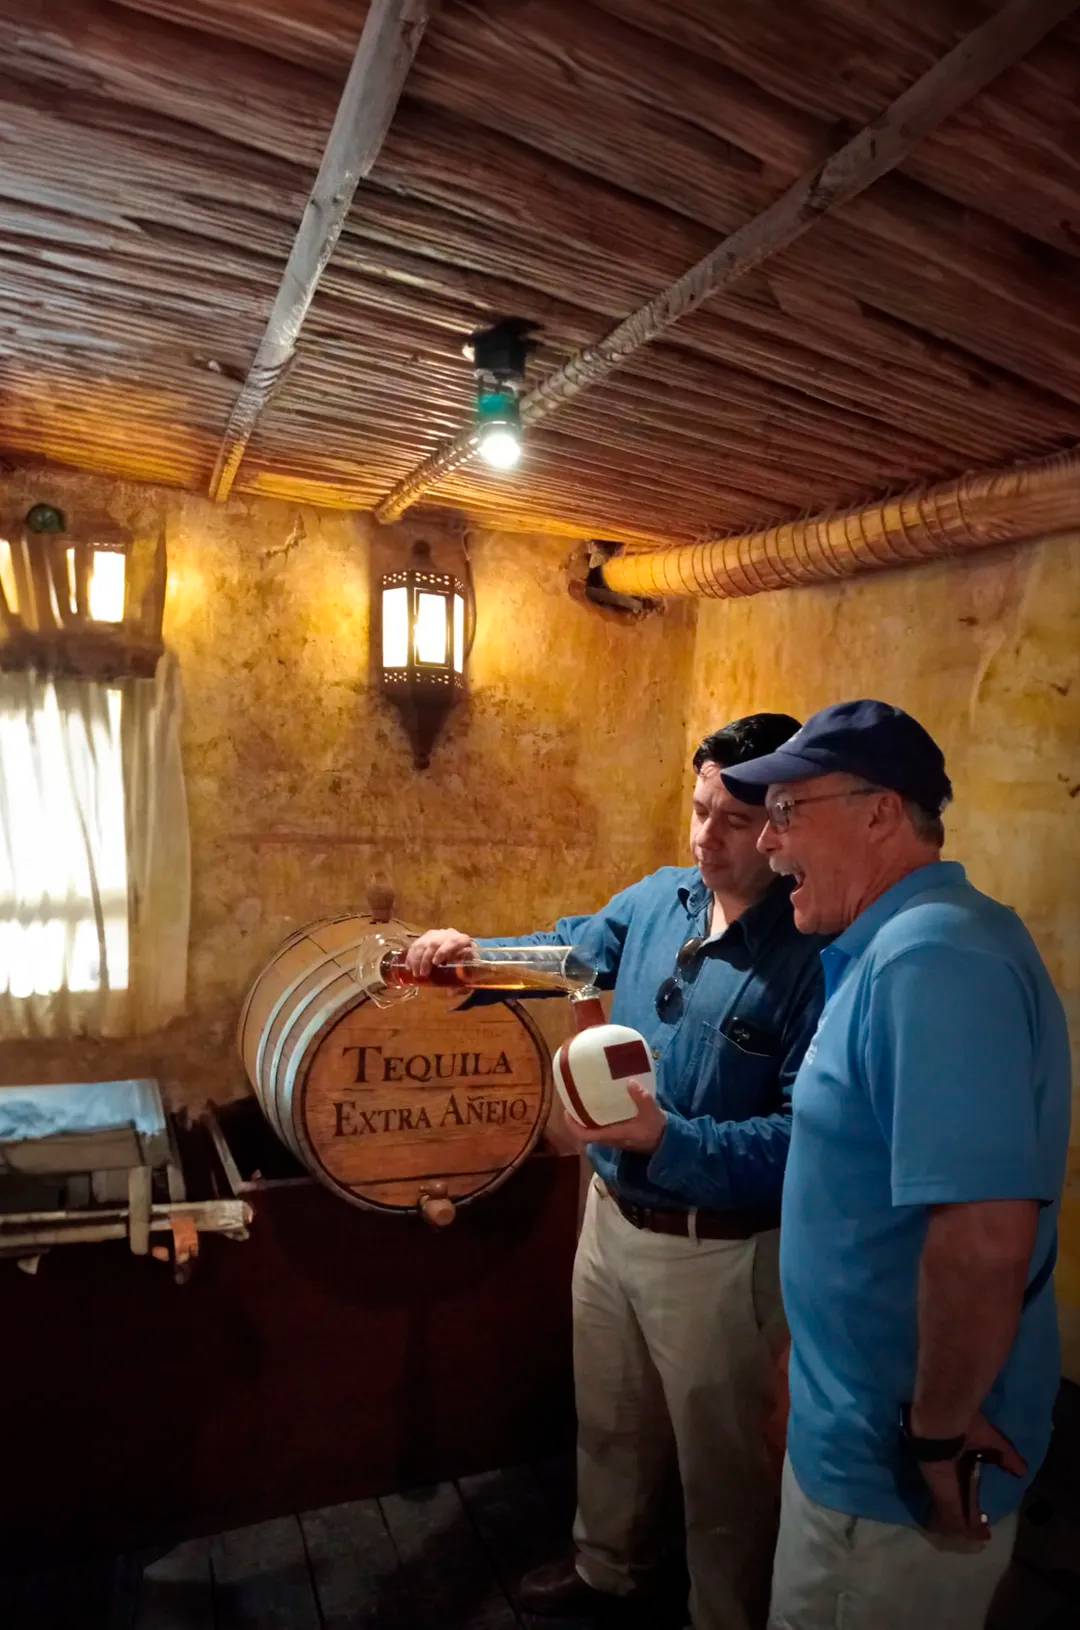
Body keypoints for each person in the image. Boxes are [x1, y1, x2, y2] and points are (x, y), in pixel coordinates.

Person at [405, 713, 829, 1630]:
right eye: (698, 808)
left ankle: (727, 1613)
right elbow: (568, 951)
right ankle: (610, 1570)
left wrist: (663, 1141)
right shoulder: (660, 900)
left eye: (729, 820)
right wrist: (468, 956)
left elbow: (801, 1144)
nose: (702, 837)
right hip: (611, 1219)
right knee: (610, 1421)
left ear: (780, 823)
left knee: (726, 1470)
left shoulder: (812, 958)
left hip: (716, 1252)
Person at [718, 699, 1072, 1630]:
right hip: (857, 1437)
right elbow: (859, 1206)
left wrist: (936, 1436)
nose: (767, 841)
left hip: (891, 1488)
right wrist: (807, 1364)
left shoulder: (934, 959)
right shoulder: (884, 950)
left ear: (881, 811)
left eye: (788, 812)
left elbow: (984, 1240)